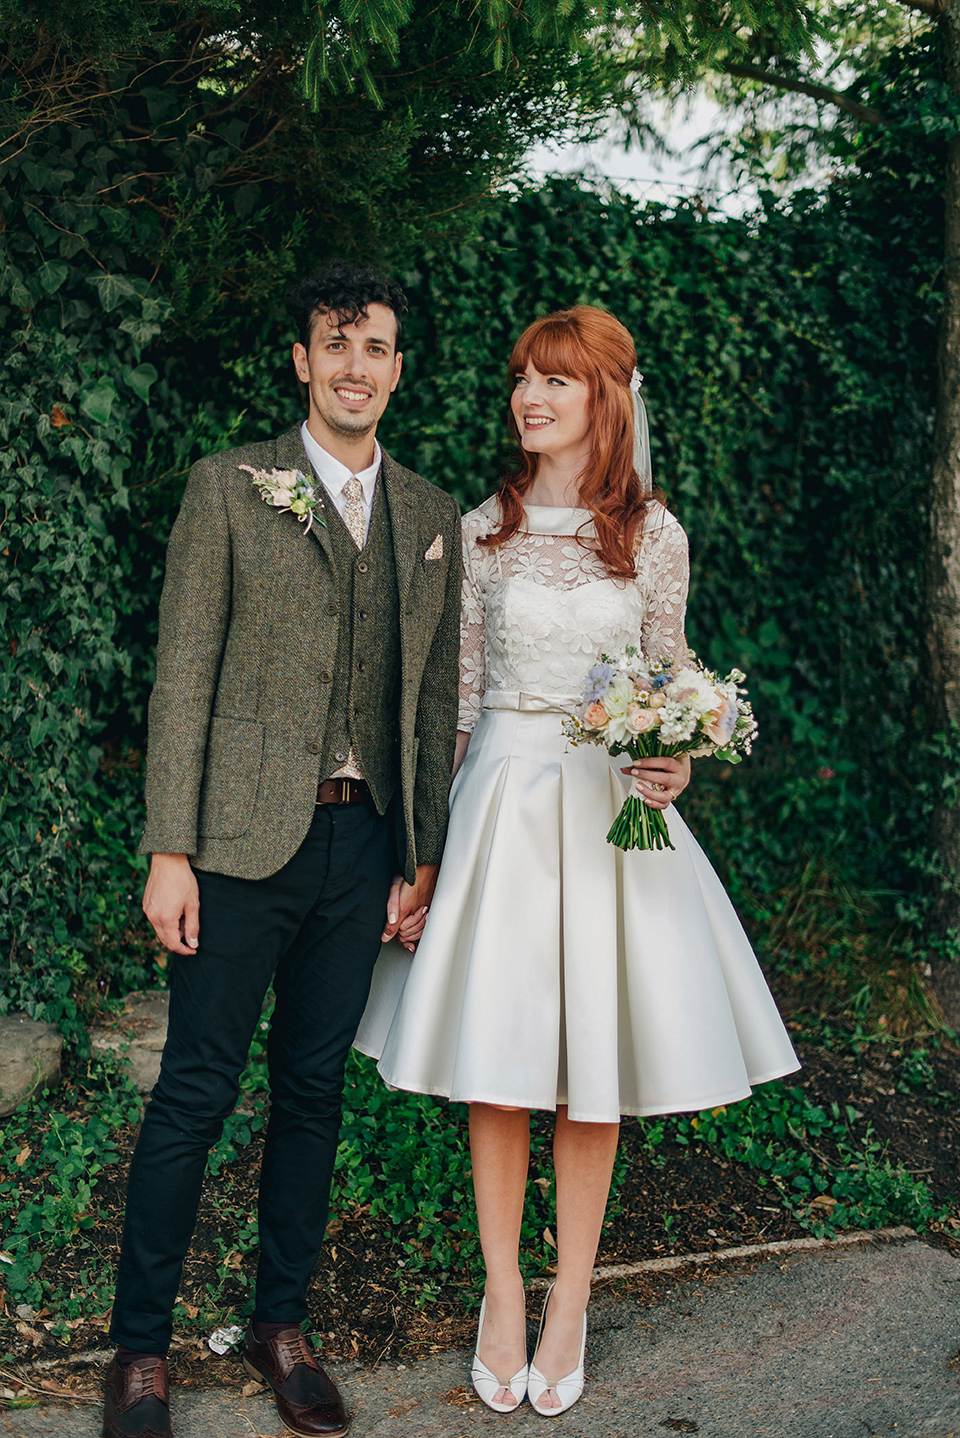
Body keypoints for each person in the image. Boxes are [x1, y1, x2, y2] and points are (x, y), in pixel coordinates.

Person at [355, 305, 799, 1417]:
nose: (531, 398)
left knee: (588, 1069)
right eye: (522, 379)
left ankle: (569, 1299)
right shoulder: (479, 527)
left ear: (608, 399)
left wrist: (678, 761)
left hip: (605, 816)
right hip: (501, 798)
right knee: (497, 1067)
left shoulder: (654, 535)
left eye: (557, 381)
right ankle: (502, 1292)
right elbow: (451, 706)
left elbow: (672, 680)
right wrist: (422, 860)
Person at [102, 262, 462, 1438]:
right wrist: (170, 847)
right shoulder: (227, 488)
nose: (357, 366)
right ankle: (140, 1352)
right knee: (195, 1094)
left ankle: (280, 1324)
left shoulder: (429, 516)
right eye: (336, 344)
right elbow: (182, 679)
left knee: (311, 1093)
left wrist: (422, 853)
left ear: (398, 368)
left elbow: (430, 698)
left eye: (377, 348)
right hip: (240, 844)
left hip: (365, 846)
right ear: (302, 361)